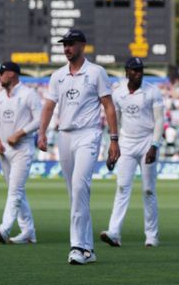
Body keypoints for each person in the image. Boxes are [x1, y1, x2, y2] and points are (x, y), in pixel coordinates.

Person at [38, 29, 119, 265]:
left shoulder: (96, 72)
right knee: (76, 194)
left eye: (71, 44)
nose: (67, 48)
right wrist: (42, 132)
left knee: (79, 187)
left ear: (83, 45)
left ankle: (78, 246)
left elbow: (109, 106)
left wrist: (114, 139)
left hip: (89, 134)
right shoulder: (58, 76)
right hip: (64, 135)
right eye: (65, 44)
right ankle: (89, 249)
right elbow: (49, 106)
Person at [99, 57, 163, 248]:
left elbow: (159, 120)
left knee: (148, 190)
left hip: (147, 142)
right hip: (126, 143)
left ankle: (152, 236)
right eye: (134, 70)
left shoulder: (152, 91)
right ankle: (114, 232)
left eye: (141, 70)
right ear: (127, 72)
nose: (138, 73)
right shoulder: (118, 93)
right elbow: (114, 122)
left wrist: (155, 145)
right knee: (122, 187)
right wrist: (110, 149)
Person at [0, 60, 41, 245]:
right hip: (4, 149)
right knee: (17, 192)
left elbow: (39, 120)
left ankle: (4, 228)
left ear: (11, 74)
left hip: (22, 148)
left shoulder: (29, 94)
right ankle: (28, 232)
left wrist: (20, 133)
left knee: (15, 190)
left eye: (1, 73)